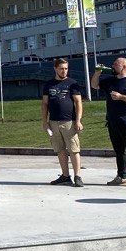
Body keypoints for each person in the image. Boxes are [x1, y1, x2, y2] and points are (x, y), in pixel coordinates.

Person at [93, 57, 126, 187]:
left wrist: (121, 97)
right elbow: (95, 85)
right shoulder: (110, 80)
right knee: (119, 150)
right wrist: (97, 73)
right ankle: (121, 176)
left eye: (116, 64)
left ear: (124, 67)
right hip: (112, 120)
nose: (113, 66)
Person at [41, 57, 84, 186]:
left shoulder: (72, 83)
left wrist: (78, 120)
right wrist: (45, 121)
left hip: (69, 122)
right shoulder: (49, 85)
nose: (64, 71)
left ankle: (78, 176)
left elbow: (78, 102)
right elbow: (44, 104)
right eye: (61, 69)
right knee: (60, 150)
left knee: (74, 149)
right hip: (54, 122)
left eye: (66, 69)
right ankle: (65, 176)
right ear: (55, 69)